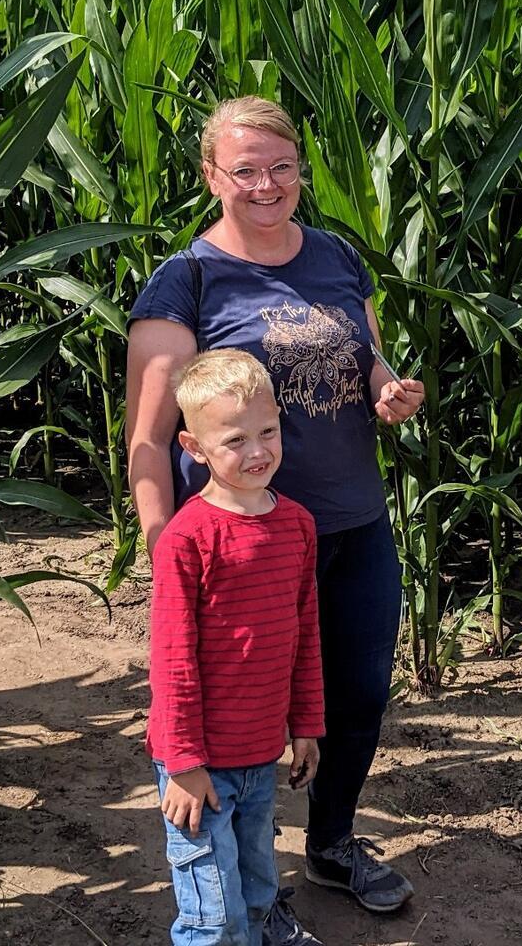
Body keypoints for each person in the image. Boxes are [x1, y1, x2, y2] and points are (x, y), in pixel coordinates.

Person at [126, 96, 425, 916]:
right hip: (241, 546)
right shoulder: (185, 281)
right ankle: (245, 890)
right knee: (237, 715)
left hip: (352, 521)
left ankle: (330, 844)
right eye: (244, 169)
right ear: (211, 176)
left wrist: (388, 389)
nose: (266, 184)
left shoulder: (335, 256)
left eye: (281, 166)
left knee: (356, 695)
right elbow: (151, 438)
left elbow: (366, 357)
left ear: (301, 168)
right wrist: (161, 540)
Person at [148, 349, 324, 946]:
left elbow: (305, 635)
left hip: (258, 753)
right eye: (234, 440)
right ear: (194, 449)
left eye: (268, 431)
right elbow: (172, 661)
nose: (258, 451)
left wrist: (305, 725)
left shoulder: (297, 524)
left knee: (256, 885)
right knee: (211, 908)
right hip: (199, 762)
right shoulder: (187, 538)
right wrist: (186, 764)